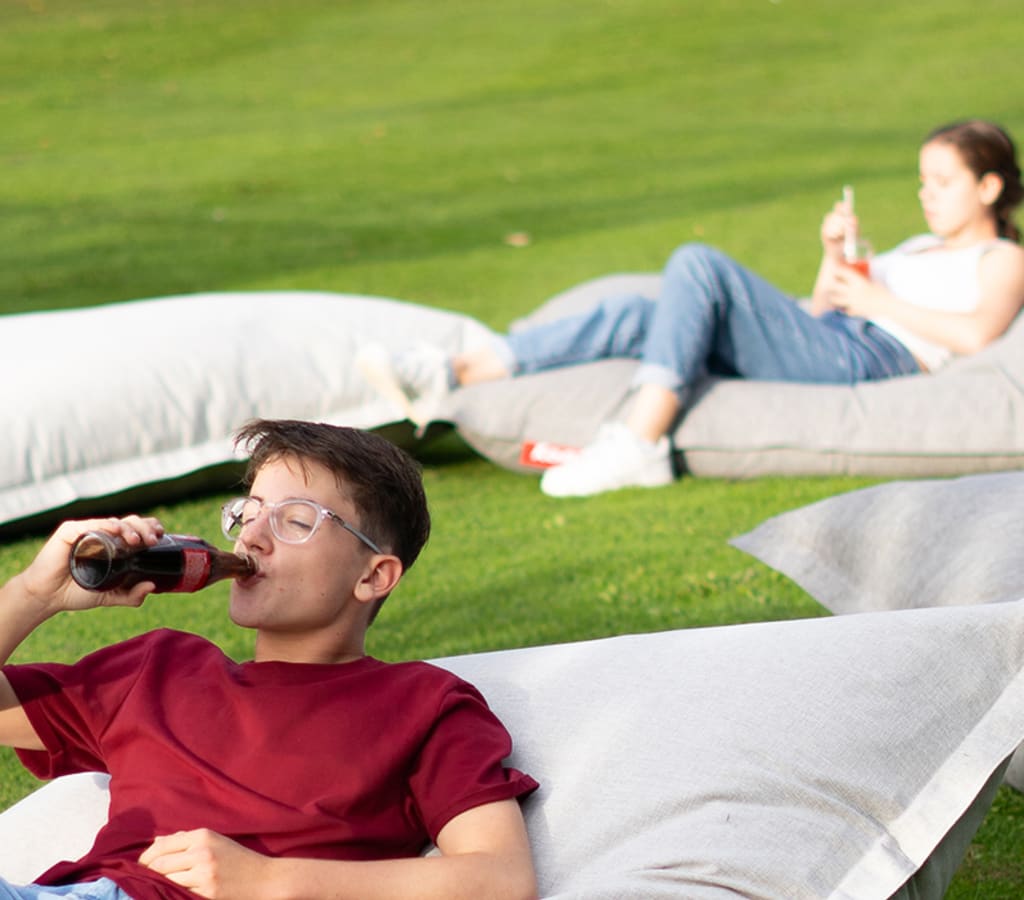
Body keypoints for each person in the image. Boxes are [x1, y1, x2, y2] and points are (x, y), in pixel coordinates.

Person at [0, 419, 539, 900]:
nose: (253, 536)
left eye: (295, 520)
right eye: (249, 512)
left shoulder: (424, 705)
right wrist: (33, 594)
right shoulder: (158, 667)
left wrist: (267, 881)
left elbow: (500, 880)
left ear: (373, 576)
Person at [356, 118, 1024, 498]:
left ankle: (641, 441)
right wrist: (833, 255)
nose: (926, 195)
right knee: (638, 312)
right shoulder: (918, 245)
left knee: (697, 265)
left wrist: (878, 297)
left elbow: (977, 334)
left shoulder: (1002, 260)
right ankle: (459, 371)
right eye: (921, 181)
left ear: (990, 185)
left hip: (873, 358)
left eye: (942, 182)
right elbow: (824, 305)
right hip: (833, 334)